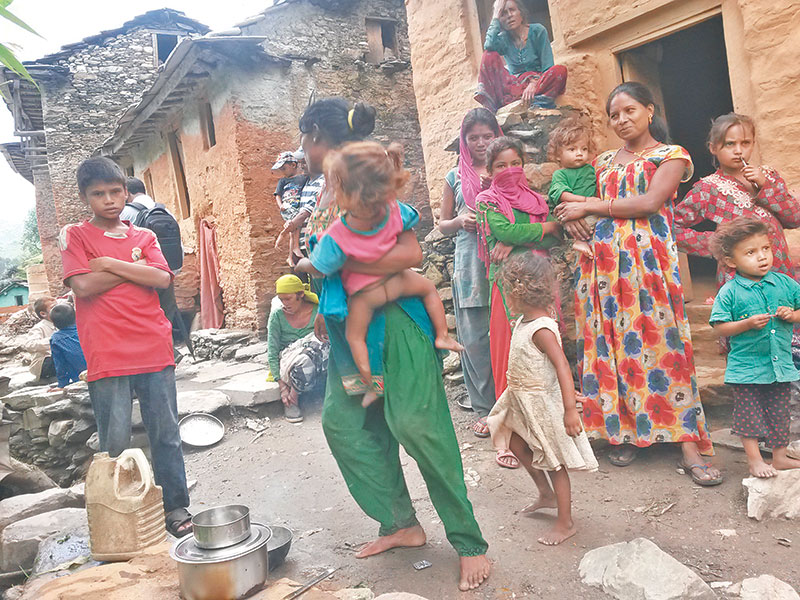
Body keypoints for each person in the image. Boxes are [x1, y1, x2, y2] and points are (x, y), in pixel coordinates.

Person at [300, 97, 491, 591]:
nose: (301, 149)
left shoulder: (367, 182)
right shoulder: (326, 192)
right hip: (348, 332)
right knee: (345, 425)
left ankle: (469, 540)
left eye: (303, 139)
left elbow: (410, 251)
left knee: (416, 426)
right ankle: (400, 522)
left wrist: (351, 269)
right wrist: (327, 303)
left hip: (397, 322)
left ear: (317, 137)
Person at [554, 82, 720, 485]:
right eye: (614, 115)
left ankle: (686, 442)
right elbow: (566, 198)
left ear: (649, 110)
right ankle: (620, 431)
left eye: (629, 110)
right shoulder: (602, 161)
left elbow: (649, 203)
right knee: (609, 345)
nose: (622, 120)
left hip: (649, 264)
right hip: (601, 265)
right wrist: (570, 217)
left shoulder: (672, 155)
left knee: (662, 343)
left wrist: (589, 205)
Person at [59, 157, 192, 537]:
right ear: (85, 197)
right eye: (98, 194)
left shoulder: (144, 236)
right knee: (114, 440)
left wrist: (110, 266)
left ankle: (176, 507)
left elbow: (162, 278)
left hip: (152, 344)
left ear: (125, 191)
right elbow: (81, 287)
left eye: (115, 191)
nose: (109, 200)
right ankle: (120, 516)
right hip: (107, 351)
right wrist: (135, 273)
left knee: (165, 433)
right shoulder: (77, 237)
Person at [297, 141, 462, 407]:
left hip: (363, 292)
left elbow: (321, 266)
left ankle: (372, 385)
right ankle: (443, 335)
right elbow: (412, 227)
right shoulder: (394, 210)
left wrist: (301, 265)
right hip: (395, 283)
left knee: (359, 338)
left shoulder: (340, 228)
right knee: (430, 288)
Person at [487, 253, 597, 545]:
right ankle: (545, 494)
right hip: (521, 400)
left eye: (507, 293)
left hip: (542, 404)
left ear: (518, 293)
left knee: (554, 461)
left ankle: (566, 522)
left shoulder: (542, 329)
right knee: (515, 443)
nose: (506, 300)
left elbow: (562, 365)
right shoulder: (523, 322)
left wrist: (570, 409)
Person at [476, 136, 561, 437]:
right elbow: (504, 230)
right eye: (501, 165)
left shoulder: (537, 200)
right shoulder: (486, 201)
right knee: (510, 349)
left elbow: (556, 236)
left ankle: (546, 420)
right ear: (488, 171)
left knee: (543, 346)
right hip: (507, 286)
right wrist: (544, 227)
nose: (509, 170)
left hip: (541, 281)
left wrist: (515, 241)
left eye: (515, 163)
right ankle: (509, 426)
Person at [709, 218, 800, 477]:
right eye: (751, 252)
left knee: (780, 414)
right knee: (750, 416)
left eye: (766, 249)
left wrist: (793, 316)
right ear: (731, 261)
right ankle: (755, 461)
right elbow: (719, 327)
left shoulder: (784, 283)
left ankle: (779, 457)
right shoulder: (730, 292)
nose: (762, 257)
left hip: (780, 366)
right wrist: (746, 324)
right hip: (746, 368)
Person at [674, 113, 800, 289]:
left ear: (753, 144)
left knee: (785, 314)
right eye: (729, 144)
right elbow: (672, 228)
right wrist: (718, 243)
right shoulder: (708, 189)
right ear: (713, 148)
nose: (739, 150)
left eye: (745, 143)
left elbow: (795, 218)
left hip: (781, 273)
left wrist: (765, 185)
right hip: (739, 283)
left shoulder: (769, 177)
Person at [439, 108, 501, 438]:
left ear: (497, 136)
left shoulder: (505, 166)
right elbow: (442, 224)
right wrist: (460, 221)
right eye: (473, 137)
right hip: (469, 263)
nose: (480, 143)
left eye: (487, 136)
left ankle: (515, 404)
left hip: (505, 255)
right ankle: (485, 408)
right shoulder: (455, 176)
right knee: (475, 337)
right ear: (464, 141)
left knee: (510, 330)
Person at [476, 0, 567, 112]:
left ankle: (538, 101)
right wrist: (495, 15)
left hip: (538, 84)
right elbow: (488, 45)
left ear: (521, 13)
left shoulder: (538, 31)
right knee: (488, 55)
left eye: (512, 10)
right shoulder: (503, 39)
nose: (509, 16)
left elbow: (548, 67)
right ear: (500, 21)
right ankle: (495, 104)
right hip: (514, 87)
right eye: (503, 13)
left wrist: (534, 84)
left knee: (560, 71)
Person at [267, 274, 320, 423]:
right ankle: (291, 401)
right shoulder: (277, 316)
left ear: (301, 295)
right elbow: (272, 350)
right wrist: (282, 386)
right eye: (281, 299)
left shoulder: (317, 312)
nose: (284, 303)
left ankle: (294, 397)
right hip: (290, 360)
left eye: (288, 299)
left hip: (316, 355)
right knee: (304, 359)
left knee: (319, 344)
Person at [547, 117, 600, 258]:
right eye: (572, 149)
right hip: (573, 211)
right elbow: (562, 194)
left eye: (584, 149)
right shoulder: (560, 174)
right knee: (587, 223)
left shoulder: (590, 168)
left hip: (590, 208)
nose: (579, 153)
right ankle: (579, 241)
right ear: (558, 155)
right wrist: (585, 200)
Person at [272, 151, 311, 266]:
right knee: (294, 226)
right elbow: (278, 195)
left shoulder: (302, 178)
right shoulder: (283, 181)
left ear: (293, 165)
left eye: (284, 168)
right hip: (288, 208)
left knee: (293, 230)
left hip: (297, 207)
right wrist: (281, 206)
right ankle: (295, 249)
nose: (282, 172)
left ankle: (291, 255)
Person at [48, 302, 87, 389]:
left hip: (79, 377)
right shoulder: (86, 328)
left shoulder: (56, 339)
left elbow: (60, 364)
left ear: (54, 324)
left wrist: (62, 384)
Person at [21, 296, 57, 381]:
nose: (58, 309)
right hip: (45, 363)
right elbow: (30, 345)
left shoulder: (61, 323)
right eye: (53, 308)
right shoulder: (39, 328)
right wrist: (53, 341)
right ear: (43, 314)